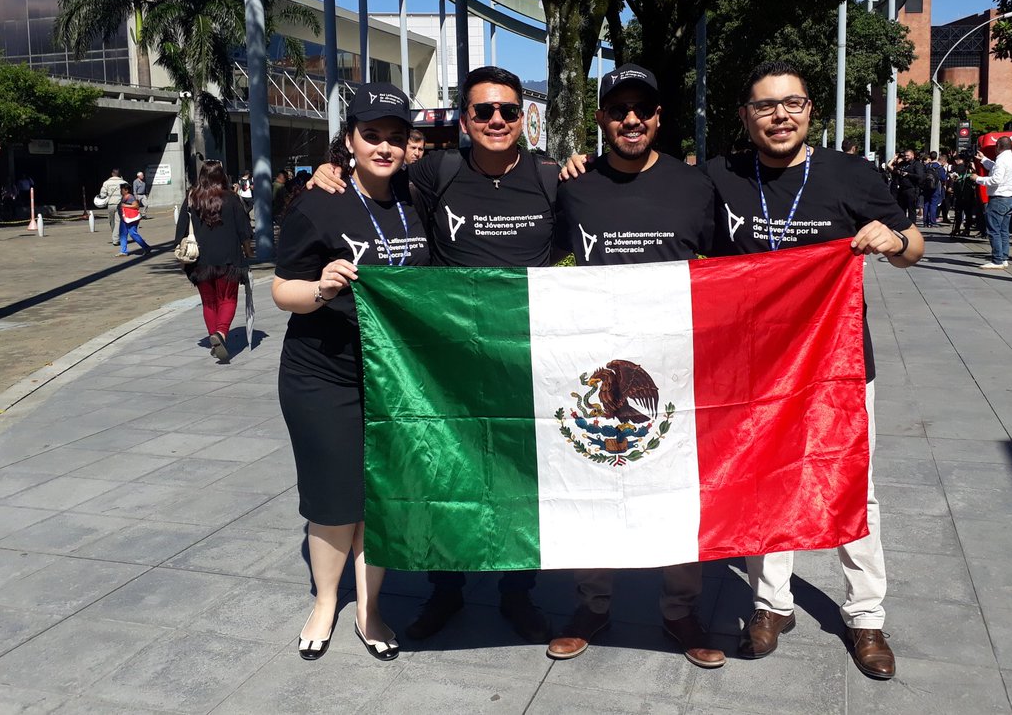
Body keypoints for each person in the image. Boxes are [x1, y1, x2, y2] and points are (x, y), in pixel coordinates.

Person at [310, 65, 560, 644]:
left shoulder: (552, 178)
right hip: (446, 363)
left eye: (507, 110)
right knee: (446, 472)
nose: (496, 120)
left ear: (523, 116)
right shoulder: (435, 173)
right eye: (482, 111)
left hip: (523, 360)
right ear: (464, 120)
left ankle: (517, 593)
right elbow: (377, 174)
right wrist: (331, 168)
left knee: (517, 478)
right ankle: (443, 591)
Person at [705, 61, 924, 681]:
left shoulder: (851, 174)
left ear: (811, 111)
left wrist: (895, 241)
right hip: (754, 368)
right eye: (766, 106)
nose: (780, 116)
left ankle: (865, 617)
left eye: (792, 104)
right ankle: (771, 604)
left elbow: (914, 247)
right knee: (761, 483)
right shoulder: (720, 176)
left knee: (852, 486)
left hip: (839, 366)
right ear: (746, 115)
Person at [549, 65, 722, 669]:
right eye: (618, 109)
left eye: (642, 110)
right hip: (593, 361)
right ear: (600, 119)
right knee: (591, 479)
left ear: (657, 119)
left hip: (674, 366)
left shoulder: (694, 186)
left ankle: (681, 611)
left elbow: (736, 270)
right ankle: (592, 605)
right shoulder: (573, 187)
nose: (630, 119)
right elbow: (537, 268)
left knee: (677, 488)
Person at [273, 83, 427, 663]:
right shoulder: (318, 201)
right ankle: (324, 602)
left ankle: (370, 609)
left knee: (382, 499)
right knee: (334, 498)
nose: (383, 147)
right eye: (372, 135)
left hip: (394, 377)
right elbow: (281, 288)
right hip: (322, 375)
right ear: (349, 140)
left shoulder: (419, 197)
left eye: (395, 137)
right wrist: (321, 287)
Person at [173, 160, 252, 363]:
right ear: (222, 176)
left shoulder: (191, 199)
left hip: (199, 261)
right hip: (228, 260)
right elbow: (244, 231)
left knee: (209, 302)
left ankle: (215, 337)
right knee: (228, 298)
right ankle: (222, 334)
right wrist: (248, 251)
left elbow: (180, 232)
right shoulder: (232, 199)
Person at [973, 136, 1012, 269]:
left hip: (999, 198)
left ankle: (997, 260)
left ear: (998, 146)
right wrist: (984, 159)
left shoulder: (1002, 160)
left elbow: (996, 179)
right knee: (1004, 230)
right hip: (1011, 197)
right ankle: (1004, 257)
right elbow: (996, 168)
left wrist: (978, 179)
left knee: (994, 230)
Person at [115, 183, 151, 257]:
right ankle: (123, 251)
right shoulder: (124, 197)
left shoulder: (130, 197)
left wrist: (125, 205)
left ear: (126, 190)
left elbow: (136, 206)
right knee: (123, 234)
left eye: (121, 189)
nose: (120, 191)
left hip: (131, 219)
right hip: (124, 218)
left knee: (133, 233)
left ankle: (146, 247)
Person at [98, 168, 125, 246]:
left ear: (112, 174)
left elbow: (102, 194)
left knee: (111, 221)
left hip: (110, 204)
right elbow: (127, 194)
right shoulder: (123, 182)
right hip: (119, 204)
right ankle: (115, 238)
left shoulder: (106, 183)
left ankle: (115, 238)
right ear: (119, 174)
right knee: (118, 221)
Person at [921, 152, 946, 228]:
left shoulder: (926, 166)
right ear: (936, 157)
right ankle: (932, 222)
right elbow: (943, 178)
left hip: (926, 187)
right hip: (935, 188)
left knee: (926, 204)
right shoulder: (939, 167)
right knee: (933, 205)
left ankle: (925, 222)